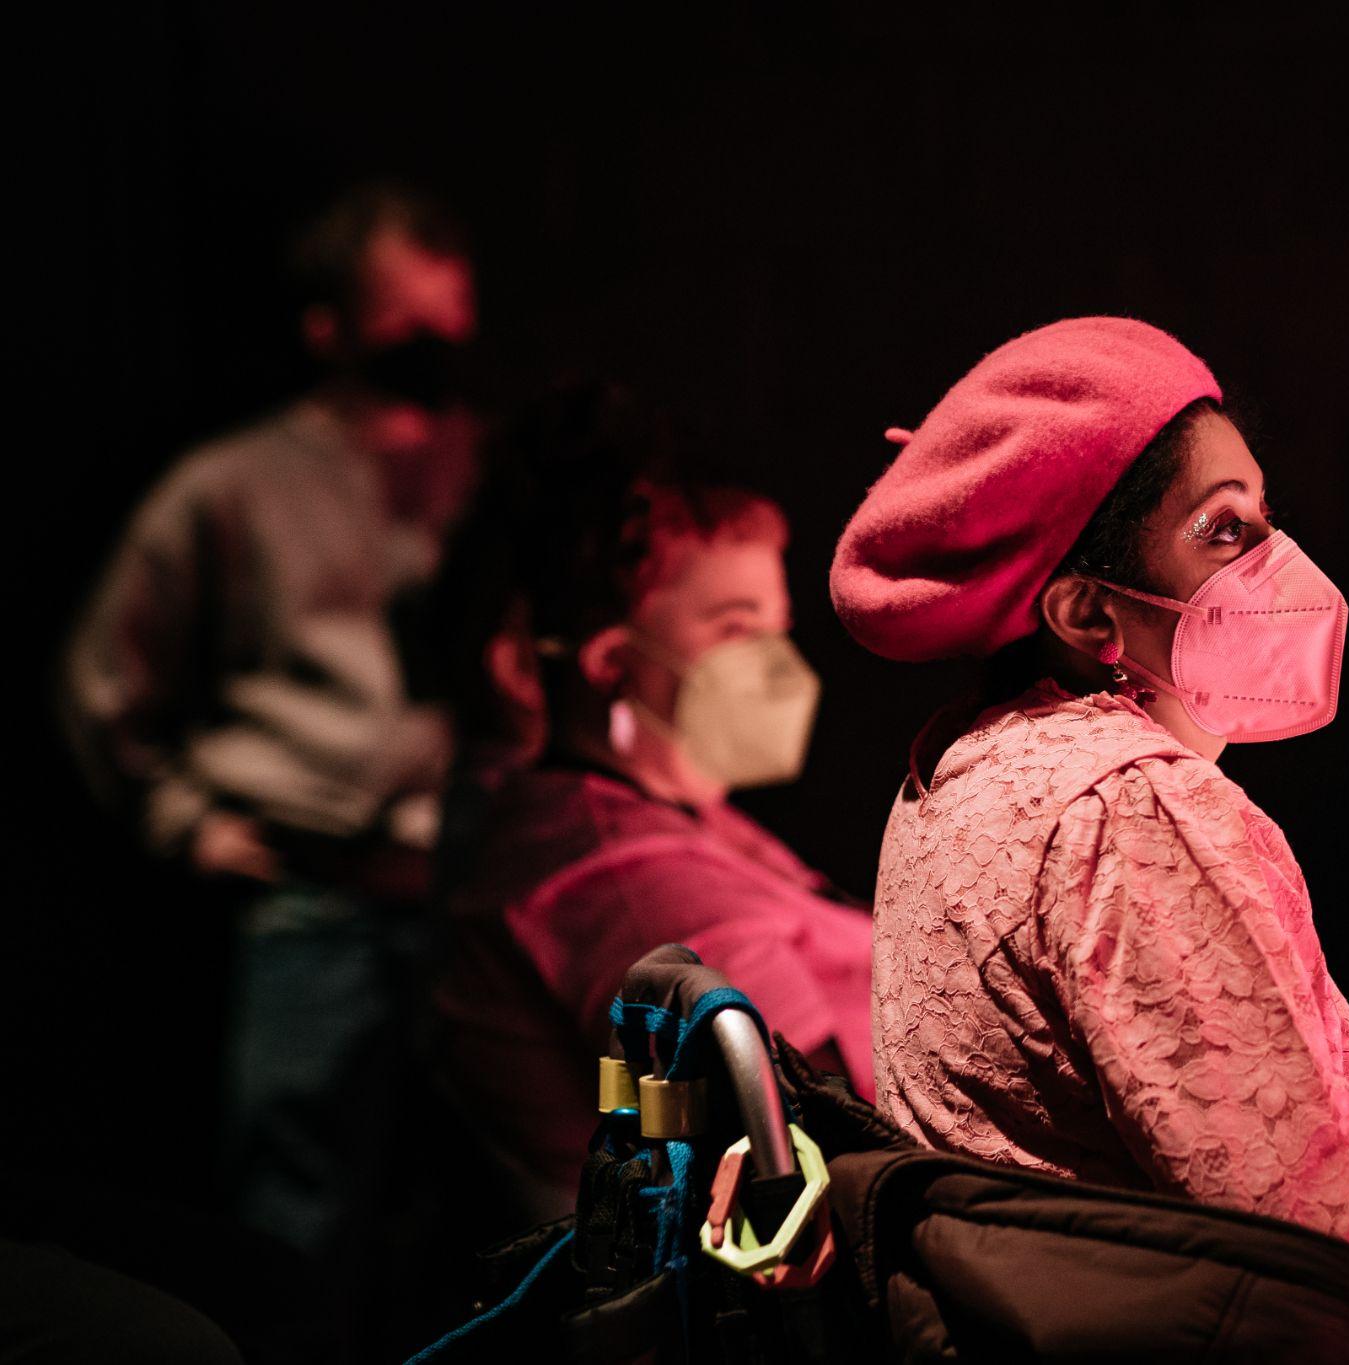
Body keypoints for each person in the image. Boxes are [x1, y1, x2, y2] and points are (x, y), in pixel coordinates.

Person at [829, 317, 1349, 1361]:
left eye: (1264, 519)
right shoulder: (1129, 809)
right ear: (1088, 610)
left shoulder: (958, 761)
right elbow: (1320, 1252)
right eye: (1223, 530)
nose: (1279, 563)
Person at [59, 183, 478, 1346]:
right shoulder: (234, 487)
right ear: (329, 327)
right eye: (406, 326)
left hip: (462, 890)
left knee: (471, 1217)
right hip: (316, 902)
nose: (434, 352)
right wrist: (181, 818)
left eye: (451, 323)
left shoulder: (480, 472)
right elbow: (108, 680)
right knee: (297, 1222)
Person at [435, 383, 873, 1226]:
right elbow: (822, 1142)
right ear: (609, 660)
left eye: (777, 624)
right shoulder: (622, 879)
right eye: (734, 628)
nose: (776, 664)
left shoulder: (663, 811)